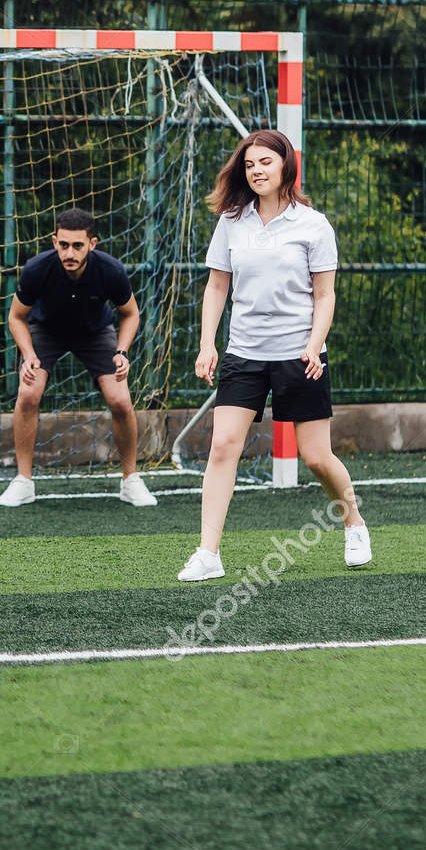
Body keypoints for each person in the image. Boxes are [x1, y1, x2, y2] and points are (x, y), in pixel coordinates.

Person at [180, 128, 371, 582]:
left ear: (286, 165)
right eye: (249, 164)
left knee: (316, 458)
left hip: (299, 355)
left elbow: (325, 296)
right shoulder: (231, 221)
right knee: (223, 446)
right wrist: (208, 343)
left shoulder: (313, 224)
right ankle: (208, 553)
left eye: (265, 161)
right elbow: (217, 286)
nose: (256, 170)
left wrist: (312, 344)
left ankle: (354, 523)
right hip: (244, 353)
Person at [0, 208, 157, 508]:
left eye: (78, 246)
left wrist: (121, 352)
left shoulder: (110, 270)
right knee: (28, 394)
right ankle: (23, 481)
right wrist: (29, 356)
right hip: (46, 332)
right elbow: (16, 317)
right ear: (55, 241)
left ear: (92, 244)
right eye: (63, 245)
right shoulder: (36, 269)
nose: (70, 252)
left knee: (121, 401)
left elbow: (131, 313)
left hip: (95, 333)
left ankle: (130, 480)